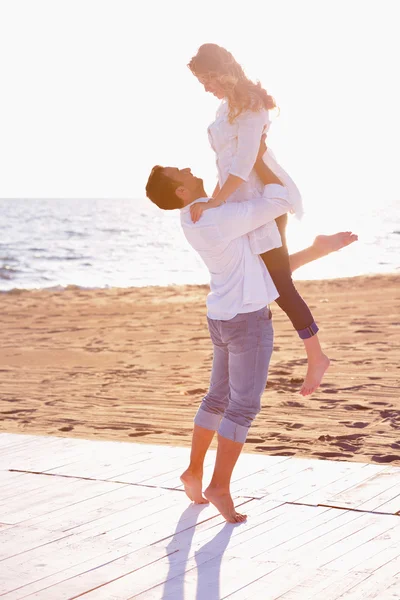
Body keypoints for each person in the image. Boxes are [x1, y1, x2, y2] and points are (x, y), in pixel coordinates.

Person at [145, 140, 357, 523]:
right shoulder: (216, 217)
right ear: (180, 191)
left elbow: (266, 273)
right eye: (184, 174)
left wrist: (319, 249)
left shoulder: (193, 216)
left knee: (216, 398)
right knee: (242, 407)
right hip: (246, 322)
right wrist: (258, 157)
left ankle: (194, 472)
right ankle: (219, 485)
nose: (192, 171)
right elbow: (280, 199)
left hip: (222, 317)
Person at [187, 43, 351, 396]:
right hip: (239, 203)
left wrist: (216, 201)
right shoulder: (225, 106)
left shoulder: (252, 106)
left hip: (261, 201)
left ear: (222, 73)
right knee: (270, 276)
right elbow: (225, 165)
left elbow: (244, 165)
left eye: (207, 79)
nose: (205, 88)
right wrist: (215, 202)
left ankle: (317, 357)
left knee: (279, 285)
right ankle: (318, 250)